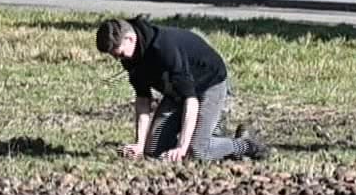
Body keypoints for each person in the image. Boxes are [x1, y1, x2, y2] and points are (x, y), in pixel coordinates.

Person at [96, 16, 269, 163]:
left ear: (130, 39)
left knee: (197, 151)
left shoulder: (164, 49)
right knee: (153, 151)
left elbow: (191, 100)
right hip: (177, 92)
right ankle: (213, 133)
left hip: (209, 85)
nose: (118, 59)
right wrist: (140, 145)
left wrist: (181, 148)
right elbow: (143, 100)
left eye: (119, 54)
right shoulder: (131, 56)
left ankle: (245, 144)